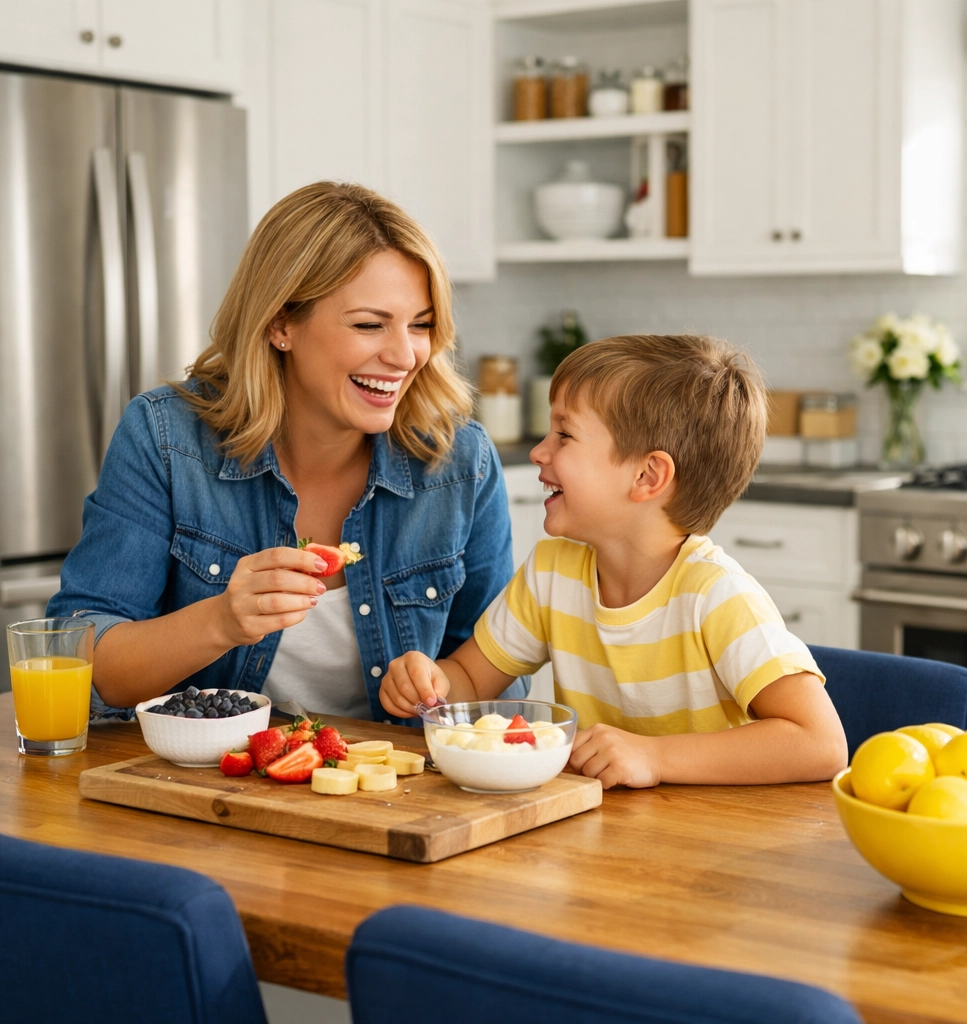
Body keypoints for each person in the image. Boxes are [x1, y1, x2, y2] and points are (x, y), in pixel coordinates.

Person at [49, 181, 526, 721]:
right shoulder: (167, 439)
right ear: (280, 324)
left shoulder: (459, 463)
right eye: (369, 325)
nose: (405, 355)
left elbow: (499, 682)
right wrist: (221, 621)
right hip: (209, 788)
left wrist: (437, 686)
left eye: (421, 325)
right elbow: (84, 661)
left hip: (393, 793)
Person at [380, 334, 849, 787]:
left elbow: (821, 743)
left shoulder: (717, 596)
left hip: (711, 844)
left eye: (564, 434)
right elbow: (469, 678)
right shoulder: (553, 571)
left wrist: (654, 756)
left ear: (647, 475)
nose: (539, 451)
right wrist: (431, 682)